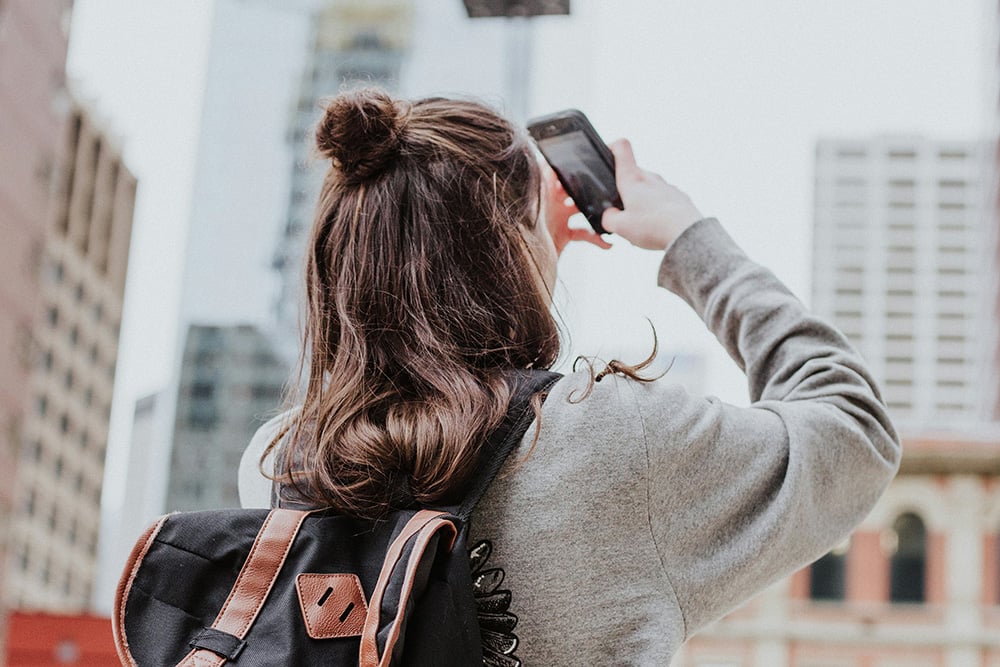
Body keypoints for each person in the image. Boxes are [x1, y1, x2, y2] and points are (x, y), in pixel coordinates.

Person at [239, 88, 900, 664]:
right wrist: (685, 235)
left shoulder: (280, 464)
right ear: (511, 245)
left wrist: (529, 236)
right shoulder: (613, 441)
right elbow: (854, 428)